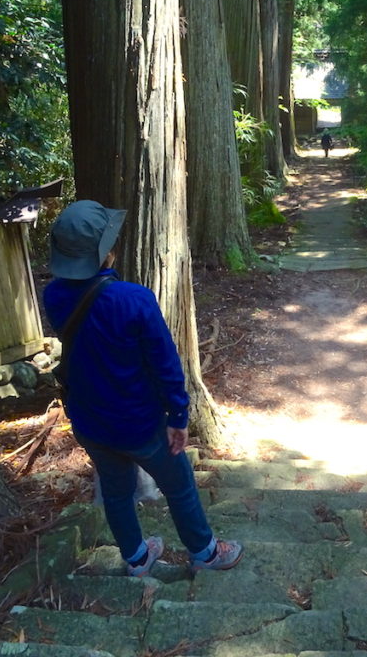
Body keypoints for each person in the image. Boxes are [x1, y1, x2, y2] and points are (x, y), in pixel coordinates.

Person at [43, 200, 242, 578]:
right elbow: (166, 365)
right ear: (107, 252)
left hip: (90, 421)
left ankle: (136, 558)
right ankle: (205, 552)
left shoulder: (53, 297)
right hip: (140, 422)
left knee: (115, 490)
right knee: (179, 485)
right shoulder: (135, 299)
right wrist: (178, 416)